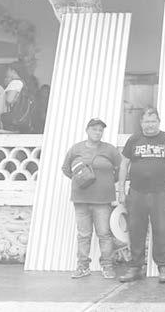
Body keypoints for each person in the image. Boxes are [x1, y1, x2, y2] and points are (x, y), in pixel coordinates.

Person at [117, 107, 165, 283]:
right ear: (141, 123)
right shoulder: (134, 139)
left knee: (161, 230)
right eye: (147, 121)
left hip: (160, 193)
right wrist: (121, 190)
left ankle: (163, 268)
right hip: (136, 192)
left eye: (153, 121)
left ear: (158, 122)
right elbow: (124, 164)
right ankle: (135, 268)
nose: (150, 125)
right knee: (136, 230)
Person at [61, 118, 122, 279]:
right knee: (83, 235)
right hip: (80, 199)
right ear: (87, 130)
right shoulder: (76, 149)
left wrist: (107, 182)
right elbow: (66, 169)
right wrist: (80, 180)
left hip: (103, 200)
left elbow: (121, 169)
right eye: (94, 129)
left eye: (100, 130)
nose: (97, 132)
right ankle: (82, 267)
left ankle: (107, 266)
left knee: (104, 234)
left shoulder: (110, 150)